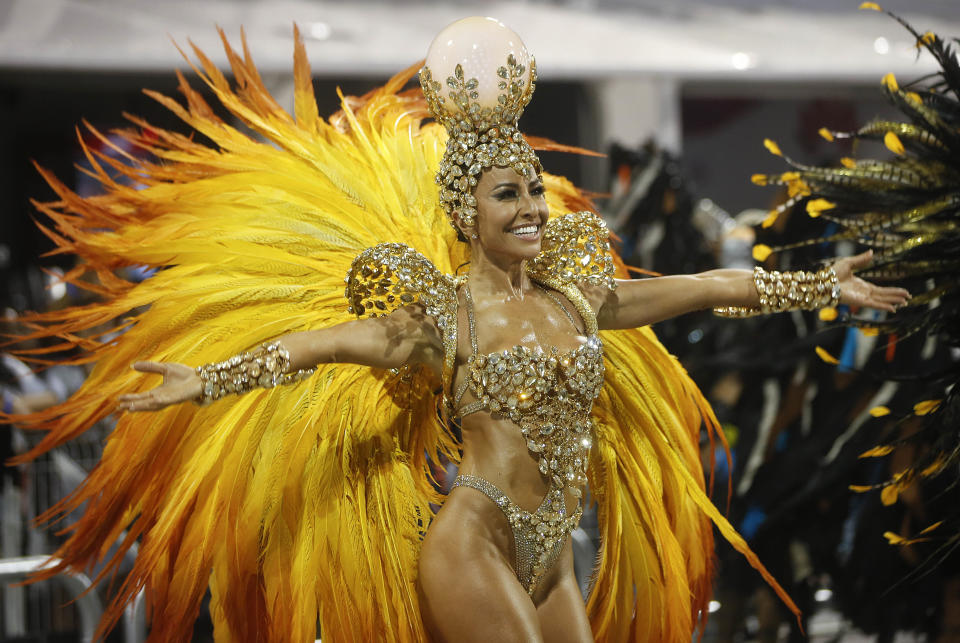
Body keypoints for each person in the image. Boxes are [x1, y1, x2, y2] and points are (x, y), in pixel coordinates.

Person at [8, 16, 908, 643]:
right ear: (466, 212)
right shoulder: (444, 314)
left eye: (532, 190)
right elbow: (316, 348)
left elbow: (711, 285)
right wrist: (204, 380)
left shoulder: (579, 297)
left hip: (556, 547)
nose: (528, 208)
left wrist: (821, 283)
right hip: (473, 540)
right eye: (506, 194)